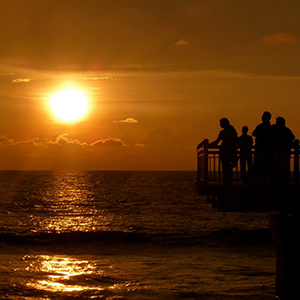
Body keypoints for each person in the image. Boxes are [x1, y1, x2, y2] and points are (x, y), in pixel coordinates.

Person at [209, 118, 237, 186]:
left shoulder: (224, 132)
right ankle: (228, 182)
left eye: (221, 123)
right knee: (228, 168)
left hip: (226, 152)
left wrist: (208, 145)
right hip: (229, 152)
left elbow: (216, 142)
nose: (220, 125)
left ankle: (227, 182)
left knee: (225, 168)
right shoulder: (232, 131)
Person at [252, 111, 273, 183]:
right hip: (267, 149)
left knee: (259, 164)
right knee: (266, 165)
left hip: (260, 148)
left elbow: (254, 133)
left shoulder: (260, 126)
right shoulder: (271, 128)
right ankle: (265, 178)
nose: (262, 118)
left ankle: (259, 178)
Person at [272, 117, 295, 184]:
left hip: (278, 151)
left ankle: (279, 179)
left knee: (278, 165)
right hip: (285, 150)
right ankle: (285, 178)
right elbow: (292, 137)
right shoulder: (287, 130)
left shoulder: (276, 131)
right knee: (285, 165)